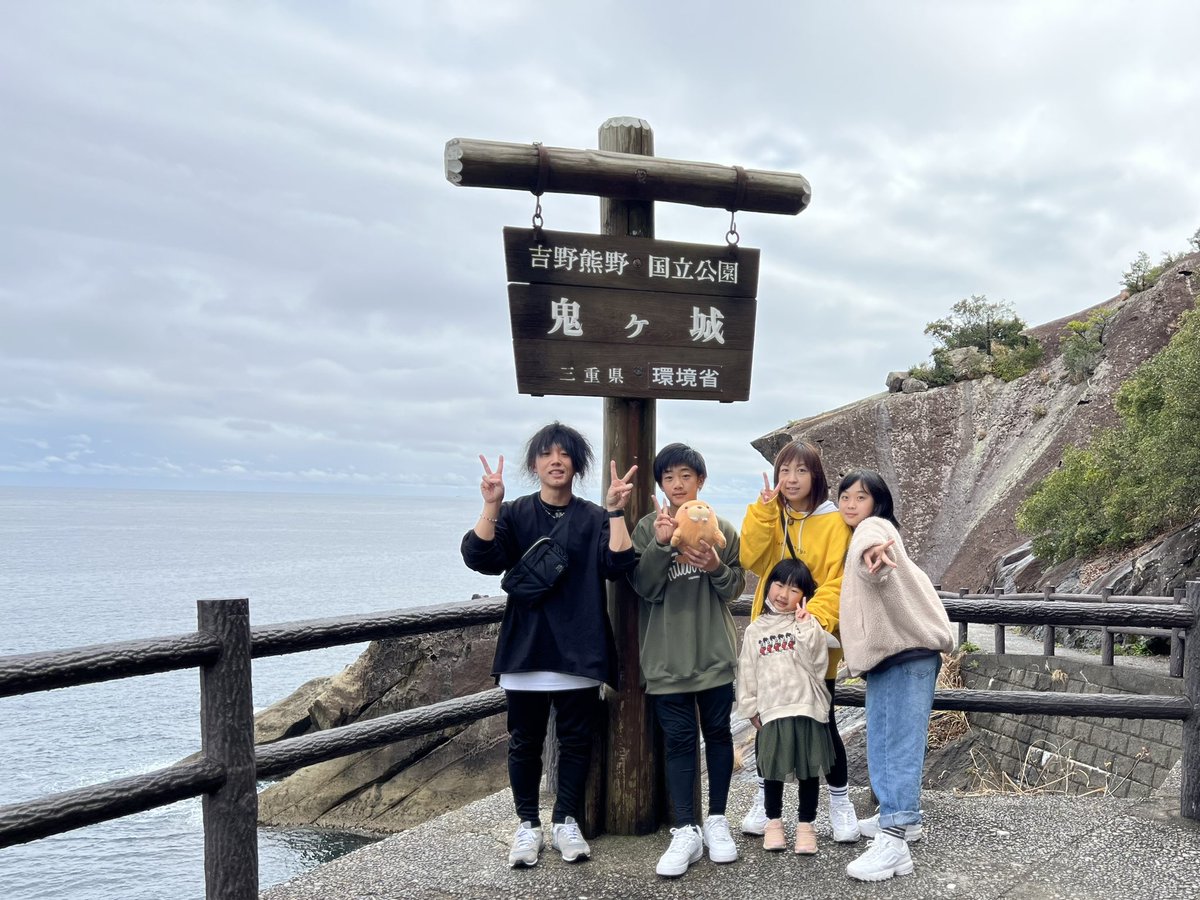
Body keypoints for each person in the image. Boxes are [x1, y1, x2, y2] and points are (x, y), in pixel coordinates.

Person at [460, 422, 638, 868]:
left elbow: (618, 564)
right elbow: (479, 557)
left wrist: (616, 511)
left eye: (564, 454)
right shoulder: (515, 513)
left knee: (577, 740)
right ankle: (527, 825)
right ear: (535, 464)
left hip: (580, 648)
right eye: (546, 454)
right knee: (525, 741)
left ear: (577, 465)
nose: (556, 461)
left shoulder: (594, 516)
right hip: (527, 648)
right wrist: (490, 504)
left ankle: (565, 821)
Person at [628, 443, 746, 877]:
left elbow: (734, 588)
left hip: (713, 653)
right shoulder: (647, 528)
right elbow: (643, 587)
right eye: (669, 477)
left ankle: (717, 820)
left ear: (701, 480)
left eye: (685, 476)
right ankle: (685, 829)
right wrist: (661, 546)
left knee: (718, 735)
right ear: (660, 484)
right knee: (678, 742)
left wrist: (715, 566)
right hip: (666, 659)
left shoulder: (722, 528)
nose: (677, 485)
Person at [738, 439, 860, 842]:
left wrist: (814, 619)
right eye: (785, 470)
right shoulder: (773, 514)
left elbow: (840, 580)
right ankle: (765, 802)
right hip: (770, 643)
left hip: (812, 642)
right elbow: (751, 559)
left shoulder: (834, 523)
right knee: (767, 725)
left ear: (815, 476)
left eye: (801, 471)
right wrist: (763, 512)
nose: (791, 479)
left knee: (824, 723)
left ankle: (840, 802)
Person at [836, 469, 955, 882]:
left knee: (895, 745)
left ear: (877, 504)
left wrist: (872, 557)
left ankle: (894, 843)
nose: (851, 504)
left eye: (861, 497)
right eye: (845, 497)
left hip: (903, 655)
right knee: (889, 741)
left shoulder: (874, 530)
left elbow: (872, 551)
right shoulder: (877, 531)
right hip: (902, 656)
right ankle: (904, 818)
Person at [735, 559, 837, 855]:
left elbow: (817, 664)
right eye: (779, 585)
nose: (783, 594)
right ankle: (773, 823)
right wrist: (750, 708)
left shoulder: (808, 625)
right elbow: (747, 672)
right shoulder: (755, 630)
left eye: (794, 590)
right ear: (768, 586)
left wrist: (805, 627)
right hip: (772, 710)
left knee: (808, 772)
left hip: (805, 708)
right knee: (772, 772)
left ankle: (806, 827)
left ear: (804, 596)